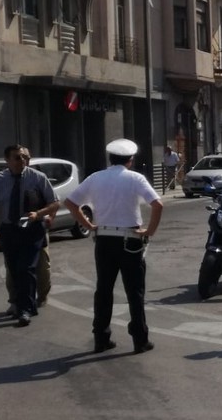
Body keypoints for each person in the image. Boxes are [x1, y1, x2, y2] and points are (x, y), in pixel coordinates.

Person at [64, 139, 163, 353]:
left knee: (104, 290)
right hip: (130, 239)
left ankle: (101, 337)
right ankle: (140, 339)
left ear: (110, 159)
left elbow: (70, 203)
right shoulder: (135, 178)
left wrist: (88, 225)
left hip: (104, 238)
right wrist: (149, 231)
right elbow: (157, 204)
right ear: (130, 160)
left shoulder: (95, 177)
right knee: (134, 292)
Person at [0, 145, 60, 326]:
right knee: (14, 269)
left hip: (32, 229)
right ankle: (21, 304)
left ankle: (25, 309)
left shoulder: (38, 178)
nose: (22, 160)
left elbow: (54, 203)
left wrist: (39, 214)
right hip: (8, 230)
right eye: (17, 157)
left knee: (27, 268)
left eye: (23, 157)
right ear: (7, 160)